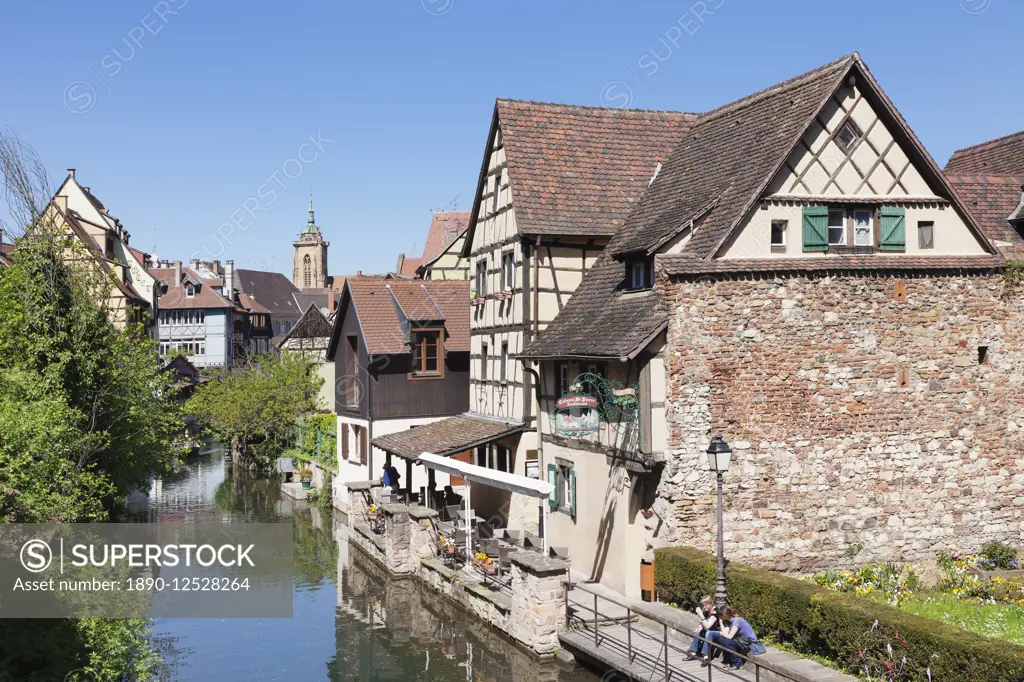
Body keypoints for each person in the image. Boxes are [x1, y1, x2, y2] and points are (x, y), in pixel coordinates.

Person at [702, 605, 764, 670]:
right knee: (716, 636)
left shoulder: (737, 621)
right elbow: (725, 633)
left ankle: (737, 664)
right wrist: (721, 622)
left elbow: (729, 636)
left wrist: (721, 633)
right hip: (741, 641)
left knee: (726, 641)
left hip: (749, 643)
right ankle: (708, 656)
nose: (719, 617)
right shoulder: (730, 621)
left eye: (720, 615)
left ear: (724, 616)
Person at [684, 596, 719, 660]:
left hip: (716, 633)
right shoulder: (707, 611)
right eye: (703, 605)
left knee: (708, 633)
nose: (704, 607)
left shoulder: (715, 613)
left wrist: (701, 614)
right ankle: (693, 652)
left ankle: (706, 656)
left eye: (706, 605)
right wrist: (700, 626)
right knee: (698, 632)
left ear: (711, 604)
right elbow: (704, 622)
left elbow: (708, 626)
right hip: (708, 630)